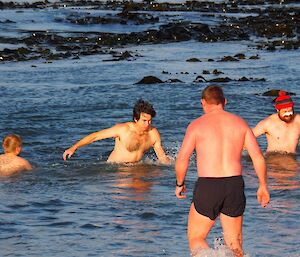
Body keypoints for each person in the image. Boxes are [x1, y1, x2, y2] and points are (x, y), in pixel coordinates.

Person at [175, 85, 270, 257]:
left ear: (202, 102)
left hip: (209, 184)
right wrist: (263, 185)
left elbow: (183, 158)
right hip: (234, 184)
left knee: (196, 238)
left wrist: (180, 183)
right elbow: (258, 157)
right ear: (224, 102)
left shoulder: (196, 125)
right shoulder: (240, 123)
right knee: (235, 244)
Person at [63, 99, 170, 164]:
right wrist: (74, 147)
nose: (147, 124)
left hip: (137, 168)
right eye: (144, 121)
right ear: (136, 119)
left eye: (150, 121)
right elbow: (95, 136)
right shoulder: (123, 129)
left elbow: (161, 157)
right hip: (117, 170)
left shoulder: (153, 133)